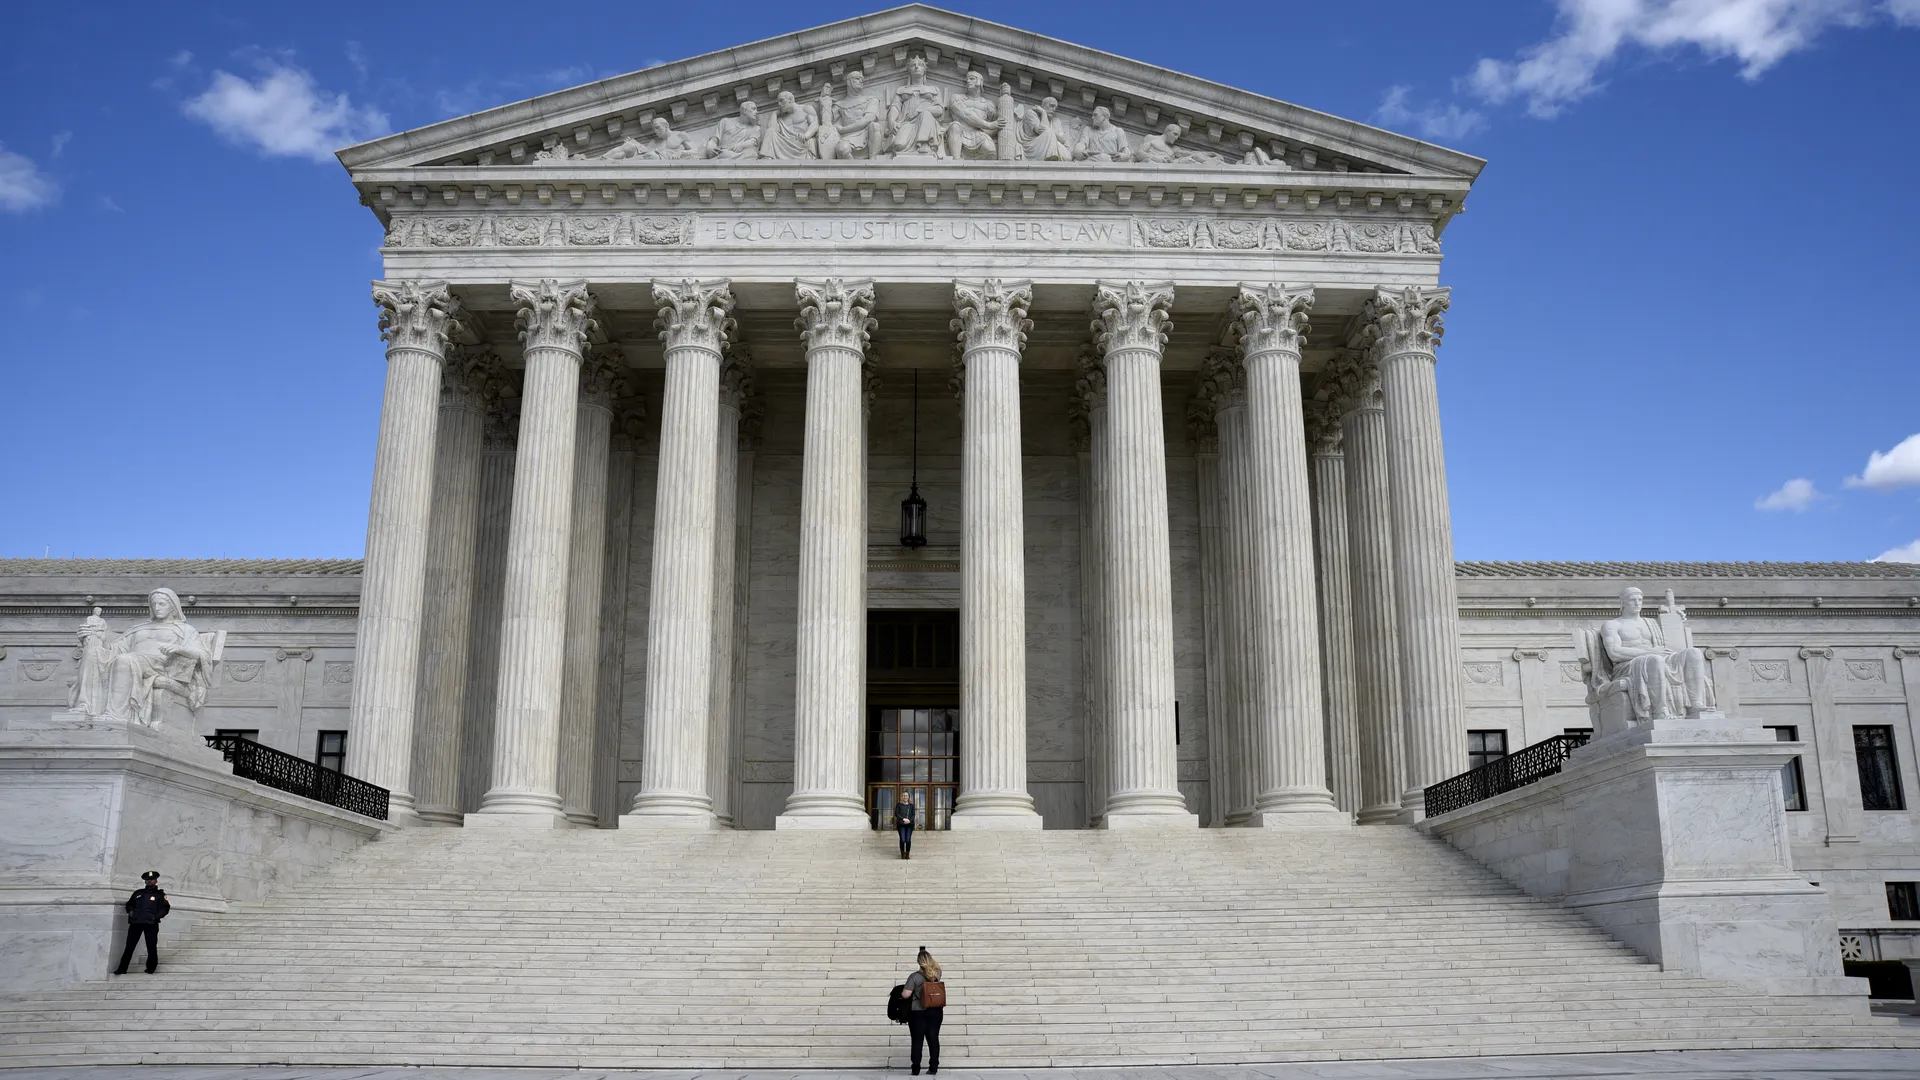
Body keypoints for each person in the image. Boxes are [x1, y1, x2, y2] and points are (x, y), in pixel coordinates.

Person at [114, 870, 169, 975]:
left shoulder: (160, 895)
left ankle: (151, 968)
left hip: (151, 924)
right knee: (129, 947)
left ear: (156, 881)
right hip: (136, 924)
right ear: (145, 881)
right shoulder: (138, 893)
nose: (150, 881)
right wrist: (131, 912)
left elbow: (165, 909)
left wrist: (154, 917)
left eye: (152, 879)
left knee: (151, 947)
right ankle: (122, 969)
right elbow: (129, 904)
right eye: (148, 880)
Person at [899, 946, 944, 1074]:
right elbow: (938, 966)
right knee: (933, 1038)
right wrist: (929, 959)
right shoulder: (937, 974)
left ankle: (916, 1069)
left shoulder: (914, 977)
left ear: (918, 962)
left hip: (917, 1012)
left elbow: (906, 995)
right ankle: (933, 1068)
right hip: (935, 1011)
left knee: (917, 1040)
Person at [894, 793, 916, 859]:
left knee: (908, 840)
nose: (905, 797)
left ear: (909, 797)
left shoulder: (911, 806)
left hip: (910, 825)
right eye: (904, 795)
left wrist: (909, 820)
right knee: (903, 840)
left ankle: (907, 854)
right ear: (902, 797)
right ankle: (902, 854)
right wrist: (903, 819)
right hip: (901, 825)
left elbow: (913, 815)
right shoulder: (898, 805)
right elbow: (896, 814)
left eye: (906, 796)